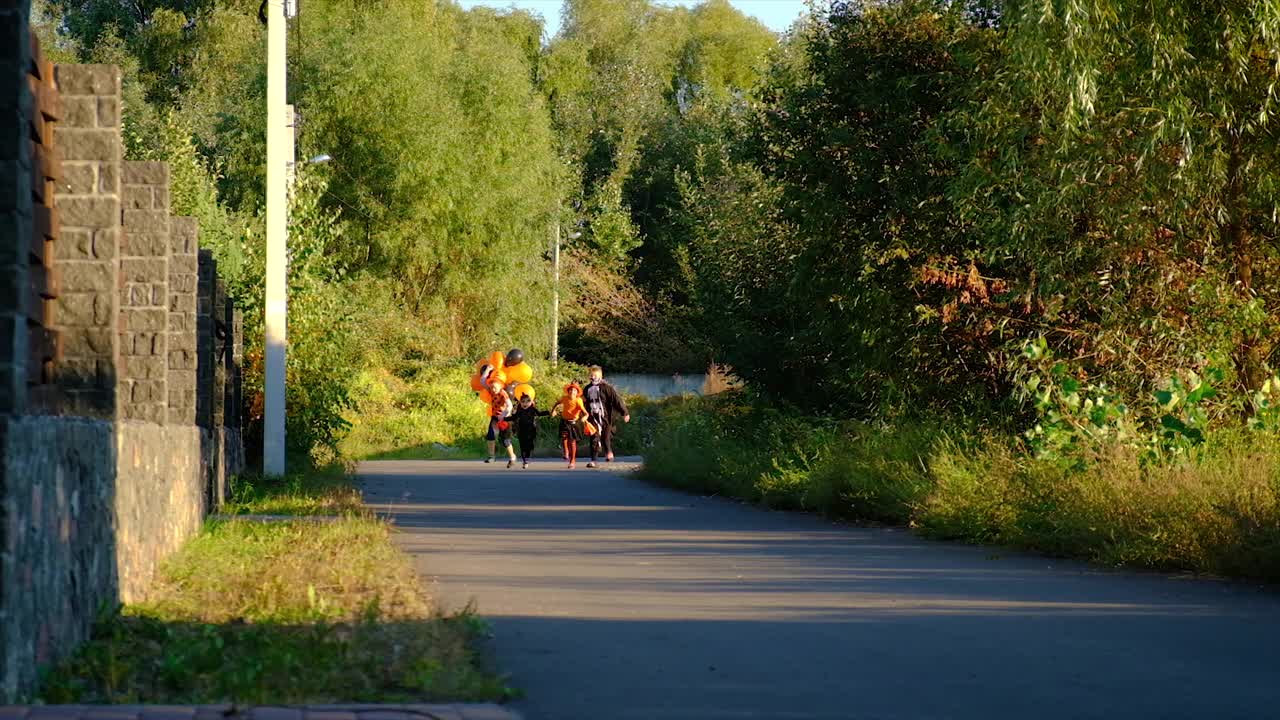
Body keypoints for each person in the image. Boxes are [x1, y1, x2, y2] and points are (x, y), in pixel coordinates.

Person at [583, 365, 630, 468]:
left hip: (606, 417)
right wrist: (583, 415)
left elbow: (617, 400)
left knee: (605, 437)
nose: (592, 377)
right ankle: (593, 460)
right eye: (591, 375)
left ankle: (608, 451)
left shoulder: (607, 388)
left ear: (600, 375)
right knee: (594, 437)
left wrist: (625, 413)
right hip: (593, 417)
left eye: (594, 375)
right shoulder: (586, 389)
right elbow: (583, 403)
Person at [506, 390, 550, 469]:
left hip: (531, 431)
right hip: (522, 431)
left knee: (529, 446)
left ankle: (527, 458)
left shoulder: (532, 409)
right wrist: (504, 419)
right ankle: (525, 461)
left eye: (528, 401)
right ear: (520, 402)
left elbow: (539, 413)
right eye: (523, 402)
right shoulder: (519, 411)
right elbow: (513, 417)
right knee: (522, 447)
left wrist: (549, 412)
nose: (525, 403)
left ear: (531, 402)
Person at [551, 382, 588, 469]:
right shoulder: (564, 398)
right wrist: (553, 411)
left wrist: (584, 418)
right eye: (570, 390)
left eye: (574, 390)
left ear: (577, 392)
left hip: (573, 423)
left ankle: (572, 461)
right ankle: (566, 452)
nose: (572, 391)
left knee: (572, 442)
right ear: (568, 391)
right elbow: (557, 403)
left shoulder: (578, 401)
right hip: (564, 422)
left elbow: (586, 413)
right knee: (564, 438)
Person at [484, 378, 516, 468]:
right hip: (495, 418)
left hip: (504, 419)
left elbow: (509, 406)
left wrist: (503, 414)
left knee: (505, 441)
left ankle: (512, 457)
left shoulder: (503, 393)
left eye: (494, 388)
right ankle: (491, 456)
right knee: (490, 436)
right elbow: (483, 382)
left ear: (500, 387)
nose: (492, 390)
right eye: (491, 388)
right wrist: (487, 370)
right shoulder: (491, 392)